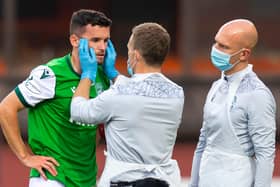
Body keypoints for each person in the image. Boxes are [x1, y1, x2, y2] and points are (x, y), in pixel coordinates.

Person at [0, 9, 115, 187]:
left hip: (86, 178)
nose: (102, 47)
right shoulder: (50, 74)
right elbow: (6, 108)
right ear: (75, 41)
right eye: (95, 40)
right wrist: (25, 157)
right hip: (52, 177)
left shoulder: (102, 76)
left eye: (106, 40)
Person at [70, 22, 185, 187]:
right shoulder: (177, 93)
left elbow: (78, 110)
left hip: (124, 180)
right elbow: (141, 93)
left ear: (136, 55)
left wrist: (88, 74)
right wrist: (114, 74)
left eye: (130, 49)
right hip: (166, 180)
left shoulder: (118, 94)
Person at [188, 19, 276, 187]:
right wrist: (193, 184)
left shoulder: (257, 94)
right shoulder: (216, 86)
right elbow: (203, 142)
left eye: (224, 47)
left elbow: (265, 154)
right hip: (207, 179)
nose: (216, 49)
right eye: (216, 42)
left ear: (244, 54)